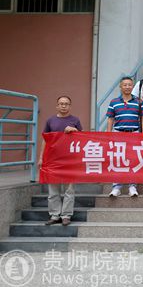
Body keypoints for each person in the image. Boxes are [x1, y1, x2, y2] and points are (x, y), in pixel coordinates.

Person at [39, 96, 82, 226]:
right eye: (61, 103)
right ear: (57, 106)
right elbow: (45, 140)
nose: (64, 106)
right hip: (53, 159)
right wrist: (41, 157)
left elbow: (82, 139)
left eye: (66, 104)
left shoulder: (75, 120)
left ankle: (66, 215)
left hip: (70, 160)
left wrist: (75, 131)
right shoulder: (50, 121)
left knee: (69, 189)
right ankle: (54, 215)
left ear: (70, 106)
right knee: (53, 189)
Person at [106, 76, 143, 197]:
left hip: (134, 133)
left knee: (133, 159)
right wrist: (108, 134)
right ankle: (116, 186)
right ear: (120, 86)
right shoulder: (114, 102)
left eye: (130, 85)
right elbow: (110, 119)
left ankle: (132, 186)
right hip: (118, 133)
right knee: (118, 159)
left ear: (132, 86)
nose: (127, 87)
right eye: (125, 85)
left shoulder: (139, 101)